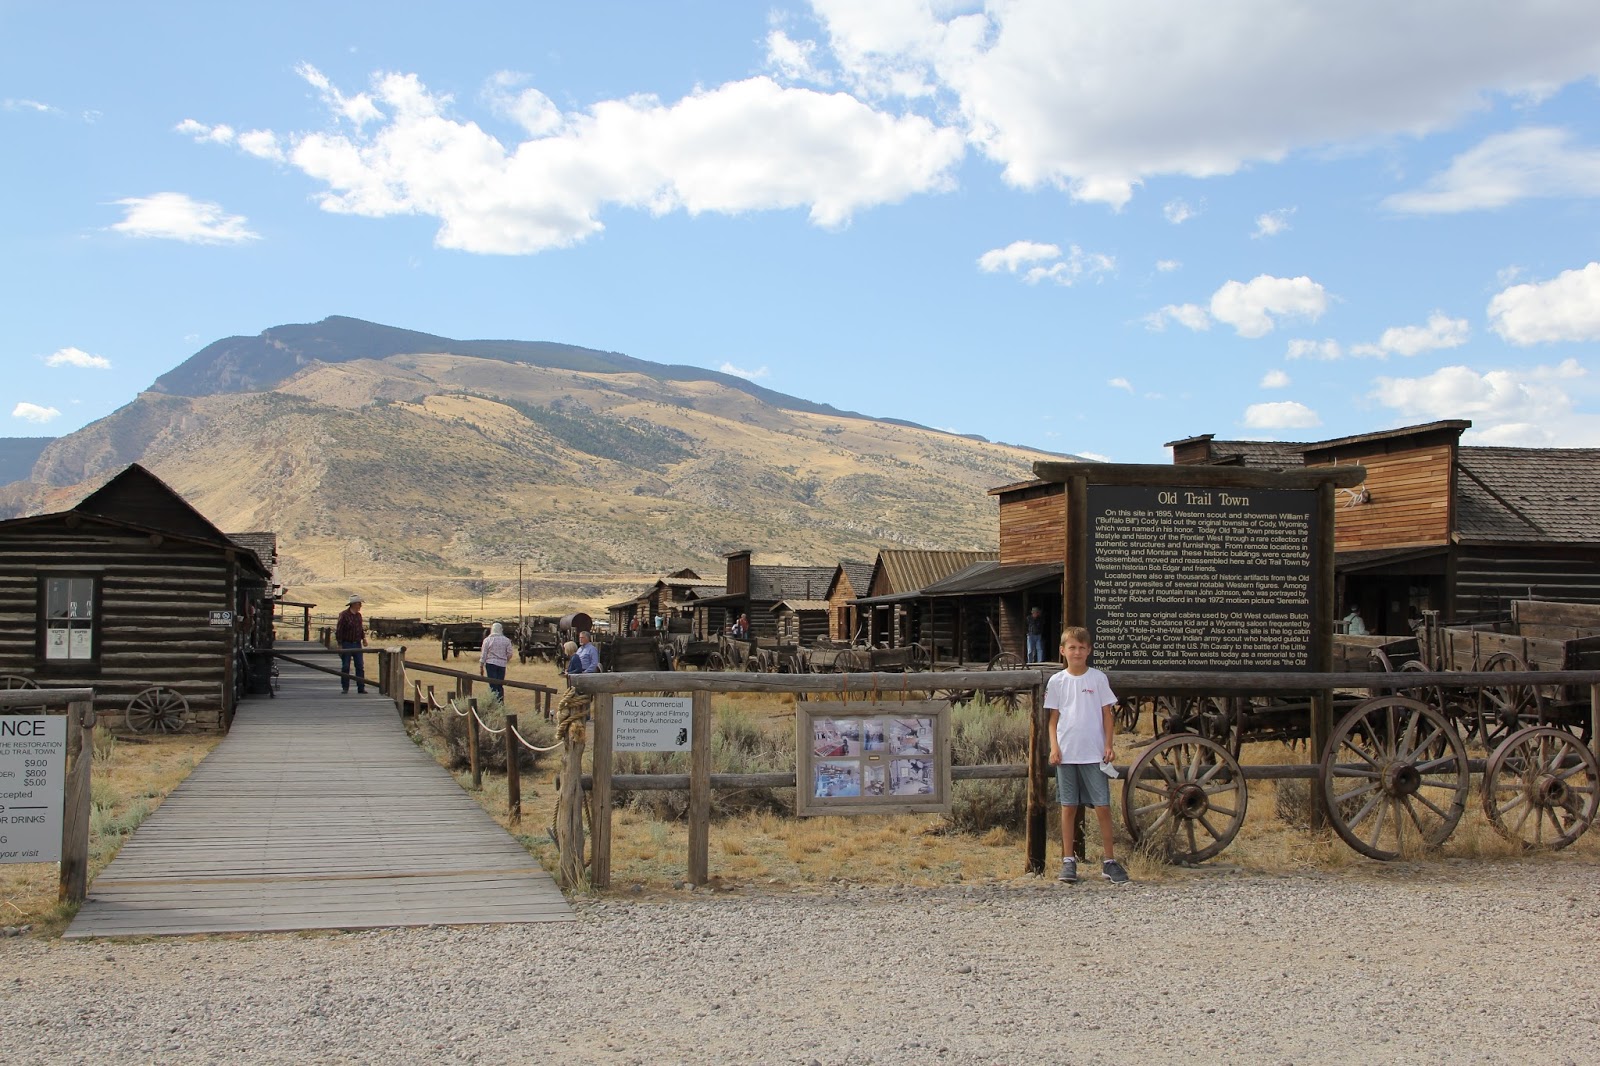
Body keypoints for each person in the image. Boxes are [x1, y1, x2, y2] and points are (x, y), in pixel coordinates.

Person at [1045, 626, 1129, 885]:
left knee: (1102, 806)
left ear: (1089, 650)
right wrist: (1054, 747)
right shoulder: (1057, 681)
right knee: (1068, 806)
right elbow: (1053, 719)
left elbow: (1107, 715)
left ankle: (1109, 860)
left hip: (1093, 753)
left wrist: (1108, 745)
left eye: (1082, 648)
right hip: (1067, 753)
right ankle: (1068, 859)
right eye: (1072, 647)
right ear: (1063, 651)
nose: (1077, 652)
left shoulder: (1097, 678)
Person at [335, 595, 367, 694]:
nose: (360, 606)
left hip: (357, 643)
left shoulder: (358, 616)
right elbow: (339, 630)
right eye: (359, 604)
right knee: (346, 666)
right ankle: (345, 687)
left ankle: (361, 688)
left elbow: (360, 629)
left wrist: (363, 638)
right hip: (347, 643)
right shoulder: (344, 615)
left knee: (360, 666)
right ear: (353, 604)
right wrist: (340, 643)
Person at [479, 621, 516, 701]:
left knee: (493, 685)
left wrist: (481, 666)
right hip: (502, 665)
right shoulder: (506, 640)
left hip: (490, 664)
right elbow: (510, 653)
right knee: (499, 684)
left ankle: (494, 702)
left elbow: (484, 654)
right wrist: (505, 659)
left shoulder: (487, 640)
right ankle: (500, 702)